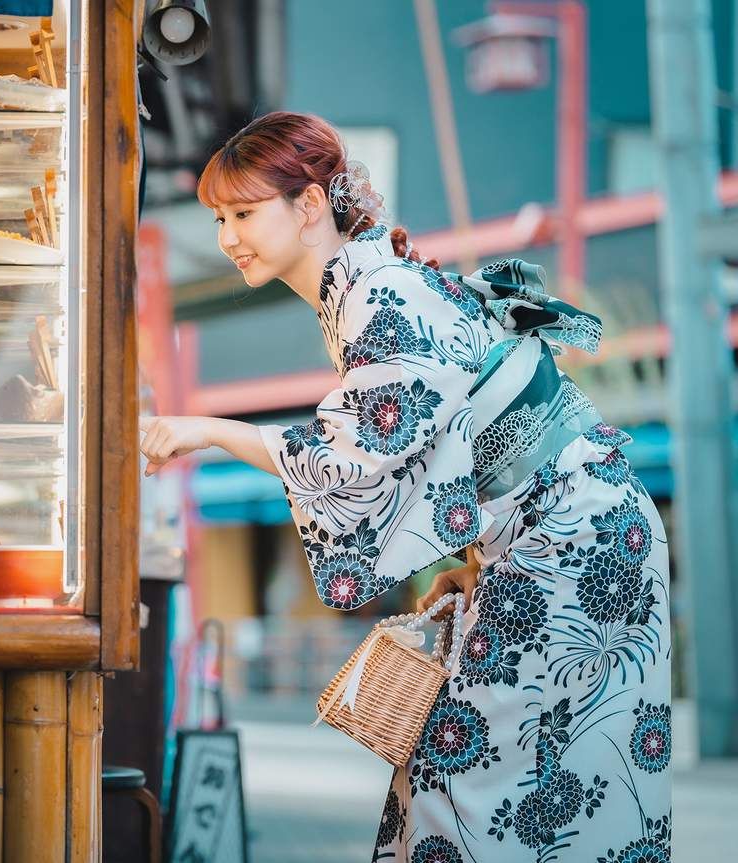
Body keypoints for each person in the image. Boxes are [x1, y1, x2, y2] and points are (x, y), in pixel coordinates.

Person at [140, 112, 672, 863]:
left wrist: (212, 430)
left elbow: (354, 454)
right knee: (523, 781)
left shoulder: (379, 292)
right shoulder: (369, 286)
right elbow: (438, 443)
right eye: (219, 218)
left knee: (472, 777)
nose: (227, 237)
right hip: (574, 529)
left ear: (308, 204)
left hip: (573, 539)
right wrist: (475, 559)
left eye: (244, 214)